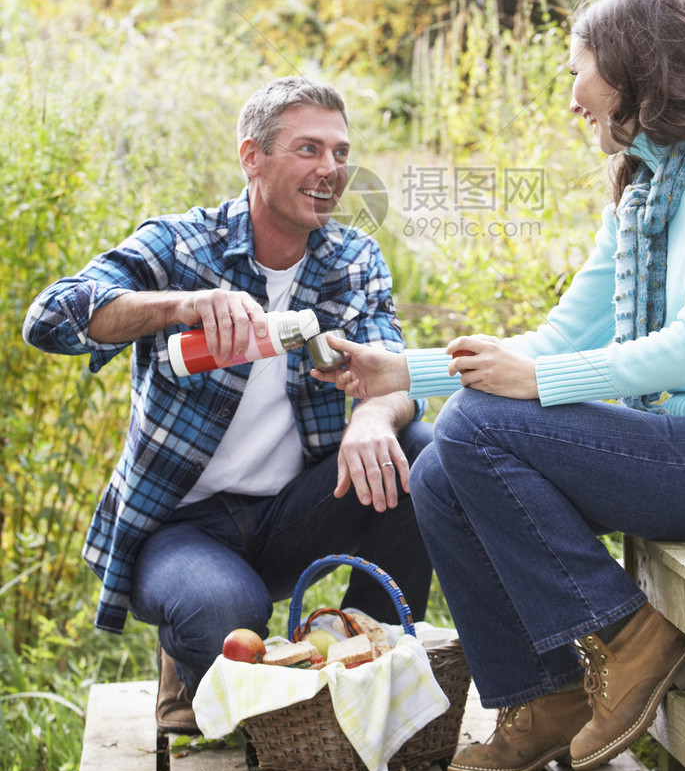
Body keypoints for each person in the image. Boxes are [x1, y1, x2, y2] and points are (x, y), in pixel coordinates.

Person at [312, 0, 685, 771]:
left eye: (577, 72)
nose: (571, 100)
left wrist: (535, 381)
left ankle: (626, 636)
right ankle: (545, 693)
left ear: (634, 67)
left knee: (471, 426)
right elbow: (564, 338)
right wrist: (404, 370)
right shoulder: (648, 193)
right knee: (439, 466)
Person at [23, 76, 433, 732]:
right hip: (184, 529)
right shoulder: (185, 245)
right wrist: (182, 306)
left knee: (420, 452)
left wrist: (373, 418)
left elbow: (392, 372)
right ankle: (190, 663)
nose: (331, 170)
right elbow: (49, 318)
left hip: (296, 511)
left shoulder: (352, 257)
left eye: (340, 152)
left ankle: (369, 659)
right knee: (224, 616)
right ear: (252, 157)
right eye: (308, 149)